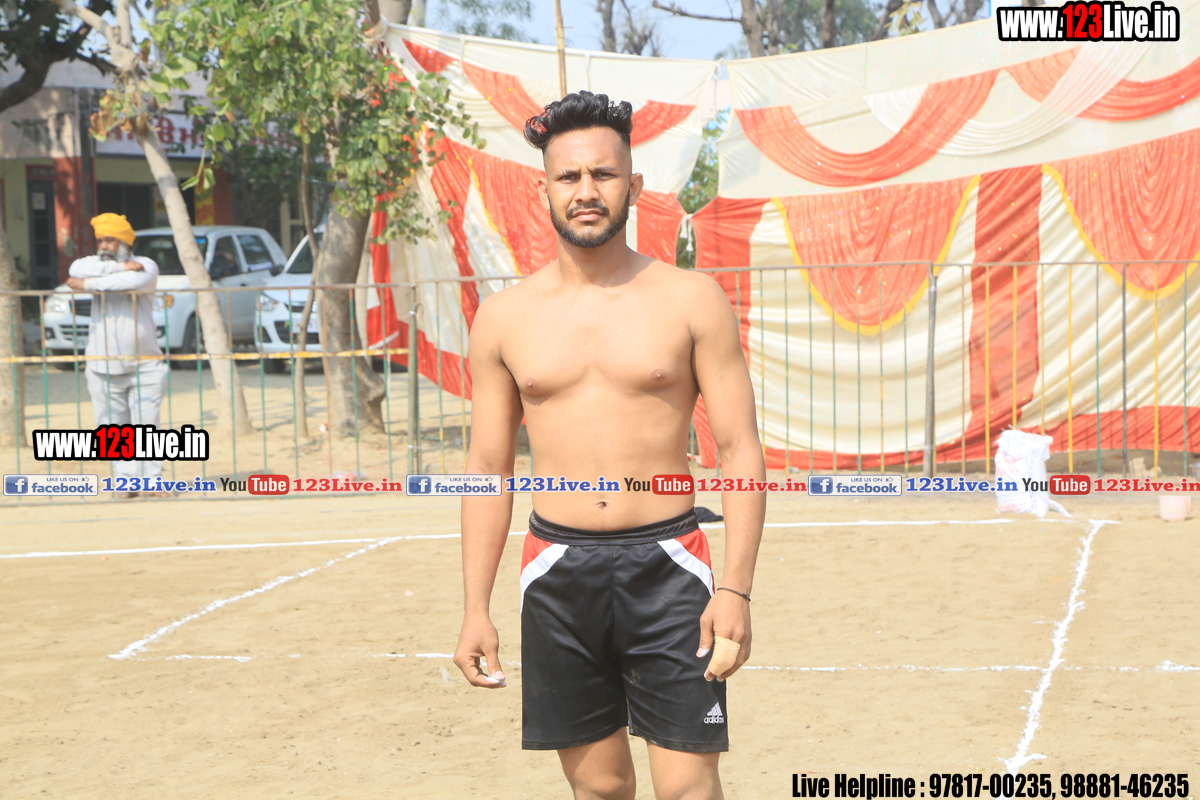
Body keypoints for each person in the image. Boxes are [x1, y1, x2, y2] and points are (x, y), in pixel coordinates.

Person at [452, 91, 767, 800]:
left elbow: (739, 449)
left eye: (603, 174)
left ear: (635, 185)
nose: (586, 191)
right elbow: (488, 469)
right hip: (556, 571)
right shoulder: (503, 318)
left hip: (671, 567)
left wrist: (735, 588)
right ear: (543, 190)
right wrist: (475, 606)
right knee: (598, 789)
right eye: (568, 176)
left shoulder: (692, 300)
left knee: (688, 789)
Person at [66, 213, 168, 497]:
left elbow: (130, 283)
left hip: (145, 365)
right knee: (113, 430)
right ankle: (126, 482)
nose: (104, 245)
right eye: (100, 240)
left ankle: (152, 482)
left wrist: (87, 284)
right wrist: (119, 267)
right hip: (102, 364)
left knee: (147, 427)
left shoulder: (146, 265)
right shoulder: (96, 264)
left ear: (125, 242)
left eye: (110, 240)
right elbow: (75, 268)